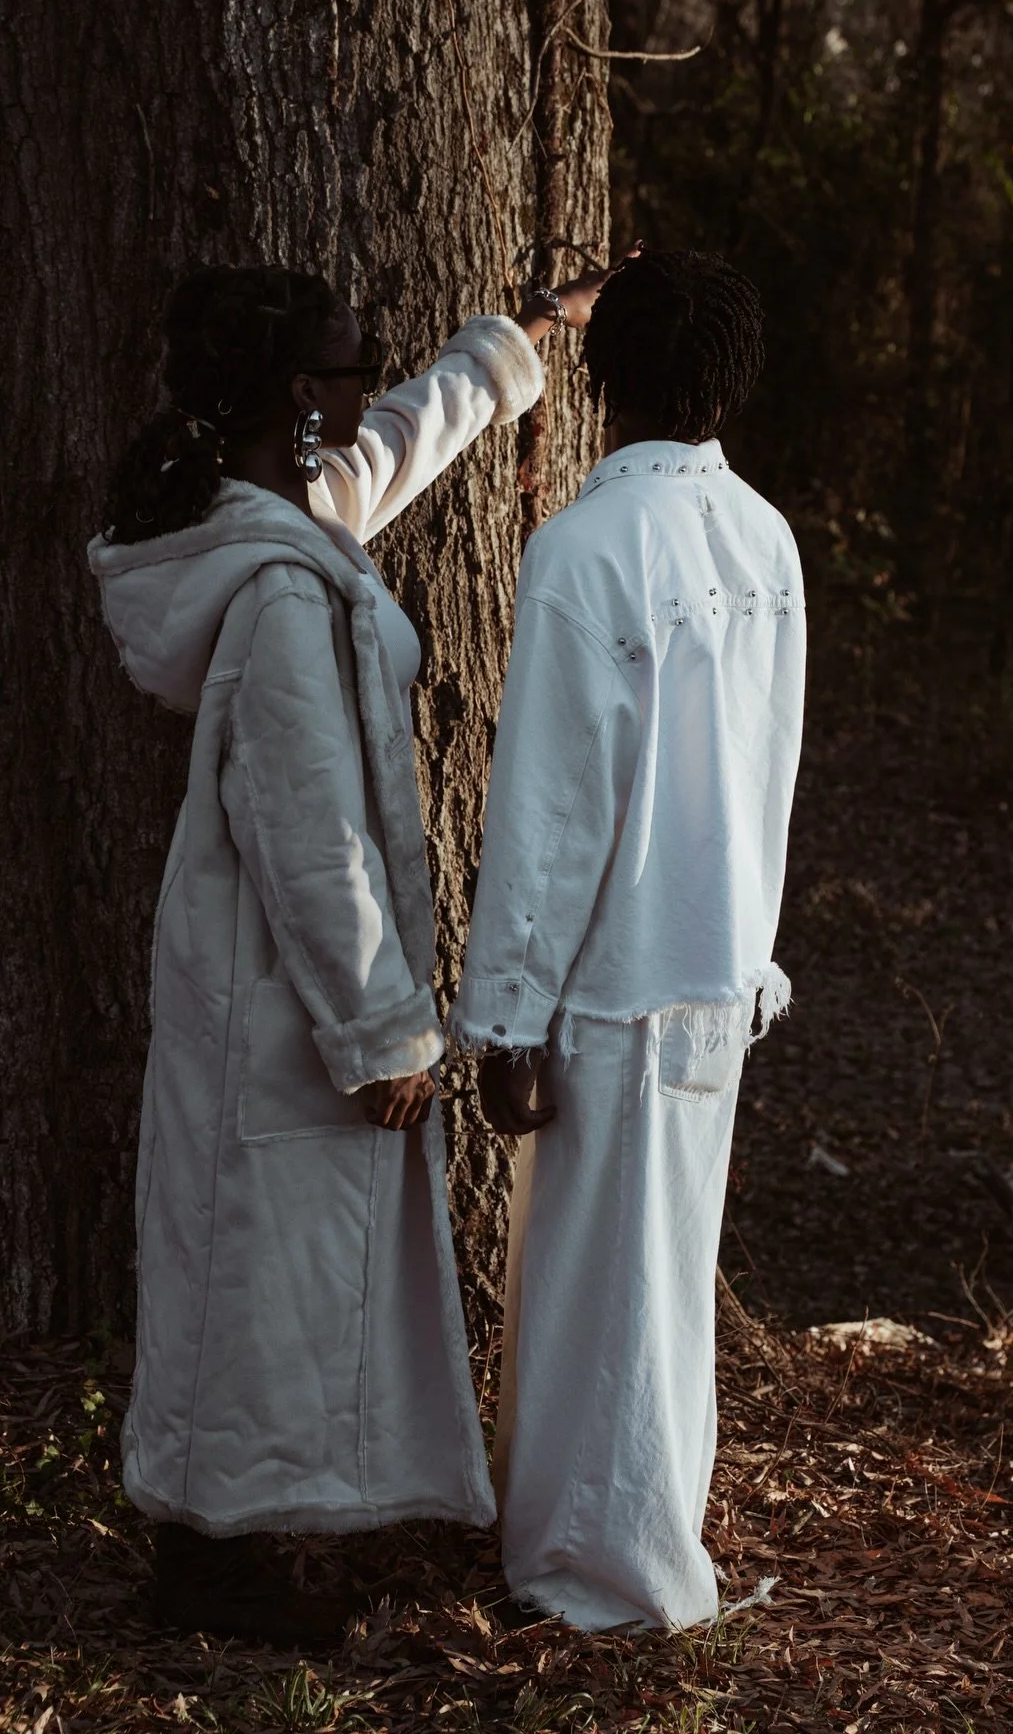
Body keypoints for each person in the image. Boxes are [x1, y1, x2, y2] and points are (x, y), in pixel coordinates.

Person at [89, 258, 610, 1647]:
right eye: (341, 365)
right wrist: (382, 1033)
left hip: (251, 978)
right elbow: (308, 833)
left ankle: (221, 1559)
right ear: (292, 396)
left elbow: (394, 452)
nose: (365, 383)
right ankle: (262, 1578)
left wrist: (512, 345)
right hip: (289, 986)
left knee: (257, 1264)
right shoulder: (275, 589)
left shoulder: (270, 527)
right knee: (281, 1281)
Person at [450, 248, 806, 1632]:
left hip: (606, 981)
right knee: (653, 1284)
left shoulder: (586, 549)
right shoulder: (763, 538)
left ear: (598, 377)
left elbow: (550, 809)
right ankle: (623, 1547)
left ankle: (603, 1574)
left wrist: (505, 1017)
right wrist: (755, 955)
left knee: (608, 1293)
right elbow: (770, 768)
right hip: (714, 968)